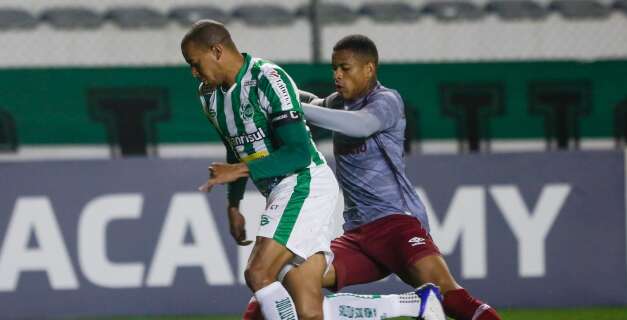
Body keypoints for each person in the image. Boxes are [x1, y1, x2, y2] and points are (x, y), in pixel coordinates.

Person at [183, 21, 444, 320]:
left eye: (194, 63)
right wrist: (234, 203)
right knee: (309, 310)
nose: (193, 72)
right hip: (281, 189)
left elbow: (297, 154)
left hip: (303, 183)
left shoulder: (268, 79)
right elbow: (236, 145)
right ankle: (414, 304)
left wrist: (239, 170)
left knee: (258, 273)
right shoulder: (209, 96)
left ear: (216, 51)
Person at [244, 35, 501, 320]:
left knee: (447, 295)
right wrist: (268, 89)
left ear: (369, 69)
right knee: (287, 280)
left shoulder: (386, 101)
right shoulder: (337, 103)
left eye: (345, 68)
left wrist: (291, 109)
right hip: (357, 235)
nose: (337, 75)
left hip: (397, 225)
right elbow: (311, 102)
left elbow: (360, 125)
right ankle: (407, 304)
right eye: (334, 68)